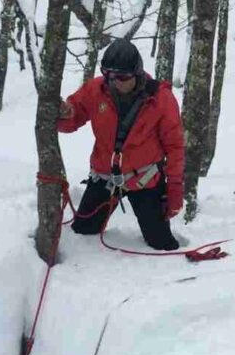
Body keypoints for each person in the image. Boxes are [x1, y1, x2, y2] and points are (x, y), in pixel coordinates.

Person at [57, 39, 184, 250]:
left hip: (145, 179)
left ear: (137, 72)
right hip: (104, 178)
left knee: (161, 243)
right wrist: (62, 114)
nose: (115, 81)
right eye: (109, 75)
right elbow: (73, 118)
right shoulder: (96, 90)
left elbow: (175, 146)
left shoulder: (160, 99)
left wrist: (175, 188)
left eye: (123, 77)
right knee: (83, 231)